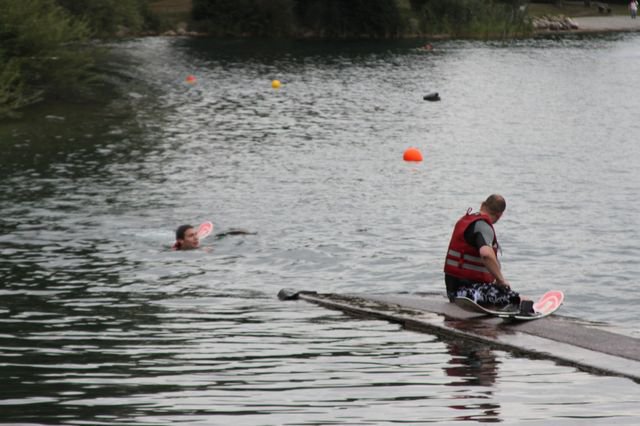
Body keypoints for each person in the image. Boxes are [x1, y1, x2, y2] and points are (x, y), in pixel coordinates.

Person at [444, 194, 523, 311]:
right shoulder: (483, 226)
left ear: (482, 204)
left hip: (452, 291)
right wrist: (501, 280)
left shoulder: (465, 220)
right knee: (517, 299)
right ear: (500, 215)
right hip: (468, 294)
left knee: (498, 290)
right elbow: (486, 254)